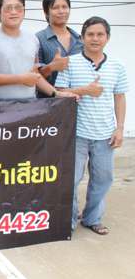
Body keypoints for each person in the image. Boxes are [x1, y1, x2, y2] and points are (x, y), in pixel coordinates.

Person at [55, 17, 128, 235]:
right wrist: (85, 90)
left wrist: (120, 128)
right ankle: (68, 221)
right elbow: (59, 93)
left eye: (100, 34)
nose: (95, 39)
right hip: (76, 133)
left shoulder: (117, 66)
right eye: (90, 34)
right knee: (71, 179)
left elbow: (119, 97)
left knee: (103, 179)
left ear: (107, 38)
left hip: (105, 134)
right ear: (83, 37)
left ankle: (92, 218)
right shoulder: (70, 62)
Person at [0, 0, 72, 100]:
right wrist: (20, 79)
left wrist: (56, 93)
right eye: (8, 8)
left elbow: (35, 75)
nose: (13, 12)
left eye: (18, 8)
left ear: (24, 11)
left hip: (30, 105)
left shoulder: (32, 39)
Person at [36, 0, 83, 95]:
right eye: (55, 8)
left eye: (64, 7)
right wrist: (51, 67)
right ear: (46, 12)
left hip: (79, 100)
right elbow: (33, 76)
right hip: (49, 101)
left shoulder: (80, 40)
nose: (61, 11)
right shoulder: (38, 39)